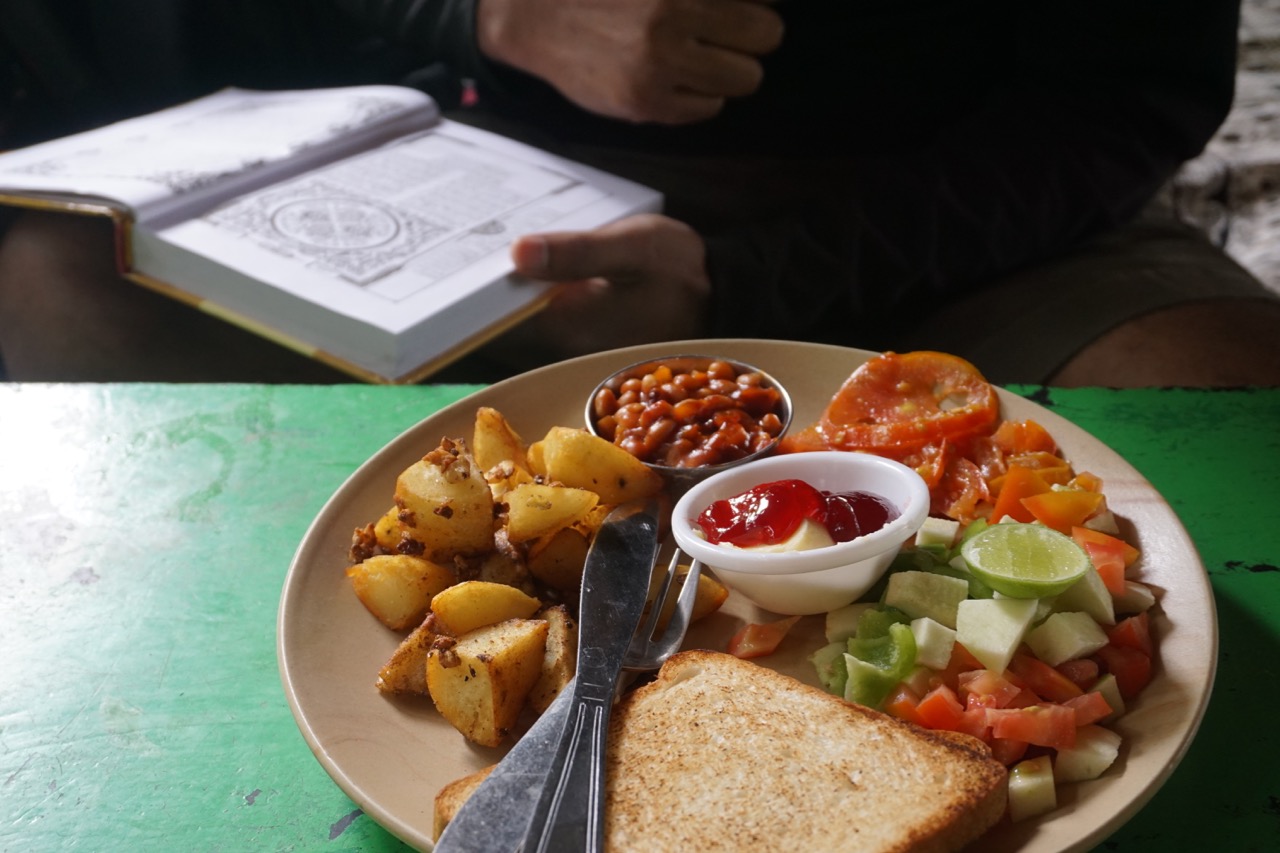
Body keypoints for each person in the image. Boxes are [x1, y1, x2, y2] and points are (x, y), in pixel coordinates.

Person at [2, 0, 1278, 386]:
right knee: (52, 290)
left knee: (1224, 394)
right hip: (492, 188)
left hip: (973, 217)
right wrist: (486, 18)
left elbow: (1131, 93)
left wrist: (744, 288)